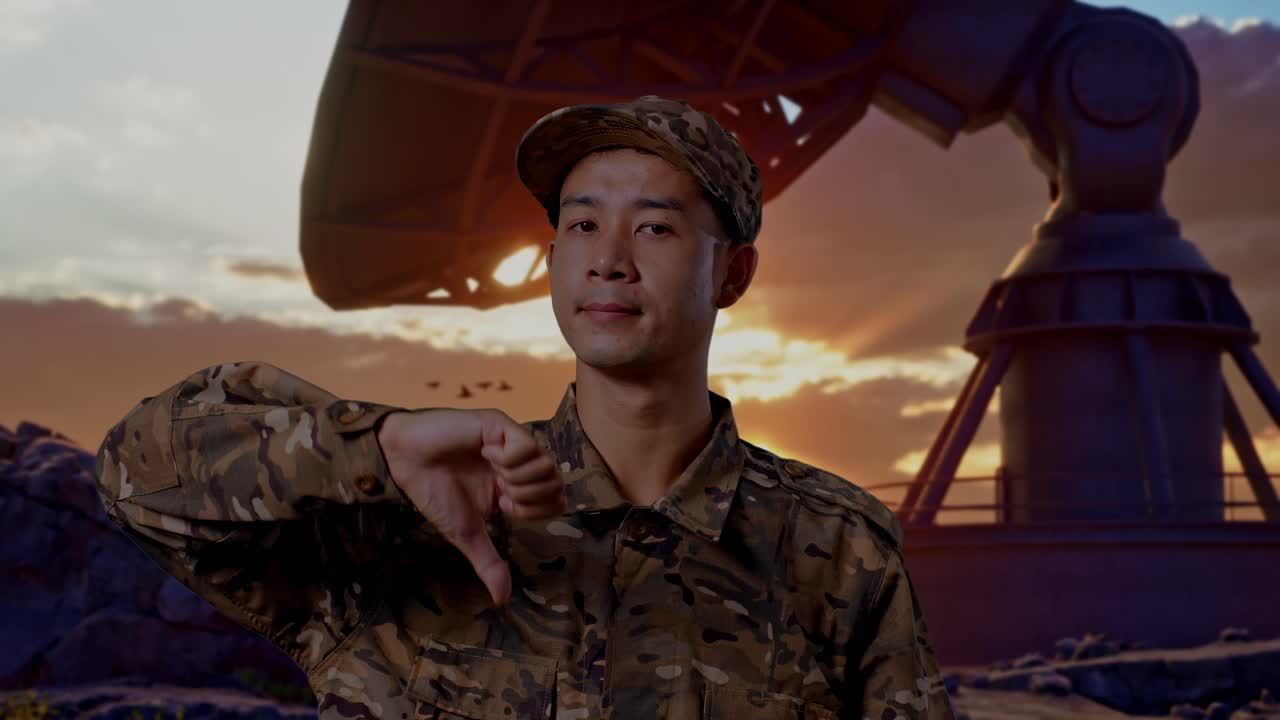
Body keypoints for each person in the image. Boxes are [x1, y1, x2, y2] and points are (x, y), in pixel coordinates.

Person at [95, 95, 955, 720]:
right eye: (581, 226)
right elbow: (136, 472)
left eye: (654, 228)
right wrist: (377, 451)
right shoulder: (414, 515)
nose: (608, 260)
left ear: (732, 275)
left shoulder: (837, 550)